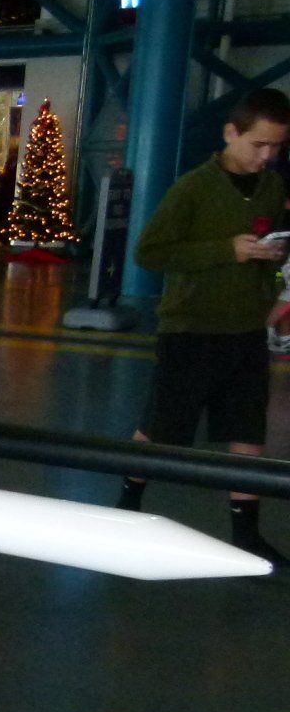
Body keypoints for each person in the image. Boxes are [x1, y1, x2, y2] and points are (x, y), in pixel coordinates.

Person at [117, 88, 290, 567]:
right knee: (160, 426)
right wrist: (225, 250)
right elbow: (149, 253)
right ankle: (125, 508)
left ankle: (246, 532)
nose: (268, 155)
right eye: (259, 144)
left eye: (277, 146)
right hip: (191, 329)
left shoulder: (272, 188)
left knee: (247, 431)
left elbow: (268, 249)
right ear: (230, 133)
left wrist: (274, 262)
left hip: (246, 330)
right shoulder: (193, 188)